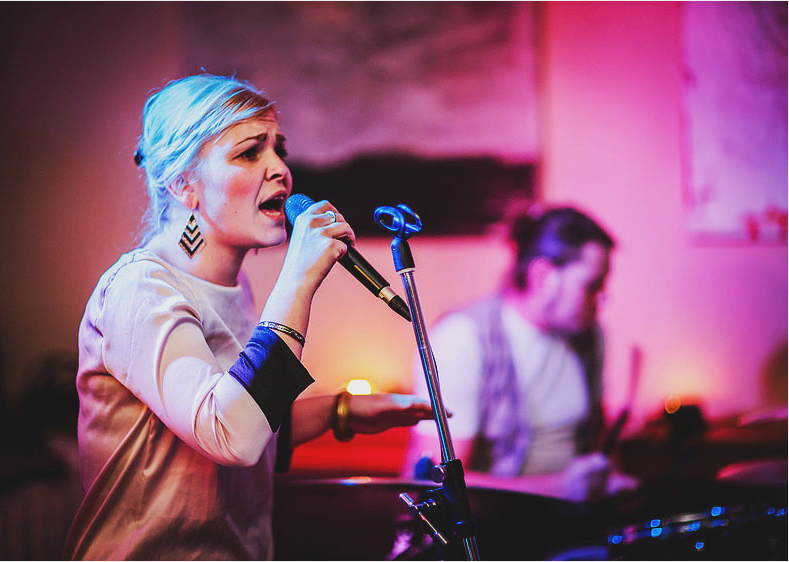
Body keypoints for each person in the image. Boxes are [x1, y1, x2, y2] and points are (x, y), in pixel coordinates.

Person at [63, 74, 434, 560]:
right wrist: (298, 278)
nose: (280, 169)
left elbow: (249, 422)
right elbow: (230, 435)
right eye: (249, 152)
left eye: (278, 150)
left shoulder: (236, 289)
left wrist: (339, 411)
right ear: (183, 184)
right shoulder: (141, 289)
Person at [404, 205, 637, 501]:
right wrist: (559, 489)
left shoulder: (589, 336)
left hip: (574, 528)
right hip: (491, 536)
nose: (603, 299)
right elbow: (435, 485)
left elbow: (597, 441)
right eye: (592, 285)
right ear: (543, 277)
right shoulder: (462, 339)